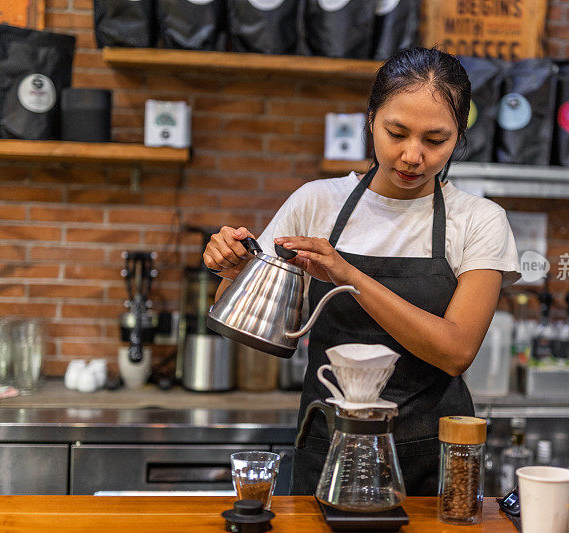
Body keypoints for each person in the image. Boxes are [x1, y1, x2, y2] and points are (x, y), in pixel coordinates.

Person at [203, 47, 521, 495]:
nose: (414, 156)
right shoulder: (316, 202)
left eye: (435, 141)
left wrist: (346, 274)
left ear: (458, 138)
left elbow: (456, 350)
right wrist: (230, 269)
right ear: (371, 119)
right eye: (397, 133)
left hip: (431, 458)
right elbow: (236, 316)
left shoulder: (479, 220)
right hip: (326, 448)